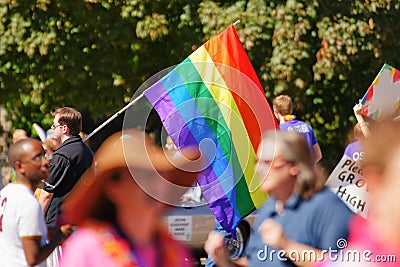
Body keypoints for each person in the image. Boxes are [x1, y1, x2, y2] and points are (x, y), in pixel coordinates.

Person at [204, 130, 353, 267]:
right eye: (258, 162)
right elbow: (254, 263)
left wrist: (287, 246)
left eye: (268, 162)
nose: (258, 169)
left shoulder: (328, 207)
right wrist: (225, 260)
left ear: (294, 166)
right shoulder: (270, 209)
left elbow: (346, 262)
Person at [59, 129, 203, 266]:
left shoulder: (174, 250)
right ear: (114, 187)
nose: (155, 185)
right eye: (143, 175)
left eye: (161, 175)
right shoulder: (87, 248)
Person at [0, 138, 72, 267]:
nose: (46, 161)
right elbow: (32, 258)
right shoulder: (28, 202)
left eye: (45, 155)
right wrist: (58, 238)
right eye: (37, 158)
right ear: (19, 166)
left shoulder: (6, 192)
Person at [38, 107, 93, 265]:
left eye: (54, 126)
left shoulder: (62, 155)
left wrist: (37, 220)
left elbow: (47, 193)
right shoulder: (87, 152)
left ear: (64, 128)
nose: (52, 128)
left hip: (58, 225)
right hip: (79, 219)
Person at [272, 95, 322, 163]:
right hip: (308, 171)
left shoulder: (279, 130)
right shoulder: (307, 126)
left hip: (292, 172)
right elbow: (318, 155)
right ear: (291, 109)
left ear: (276, 111)